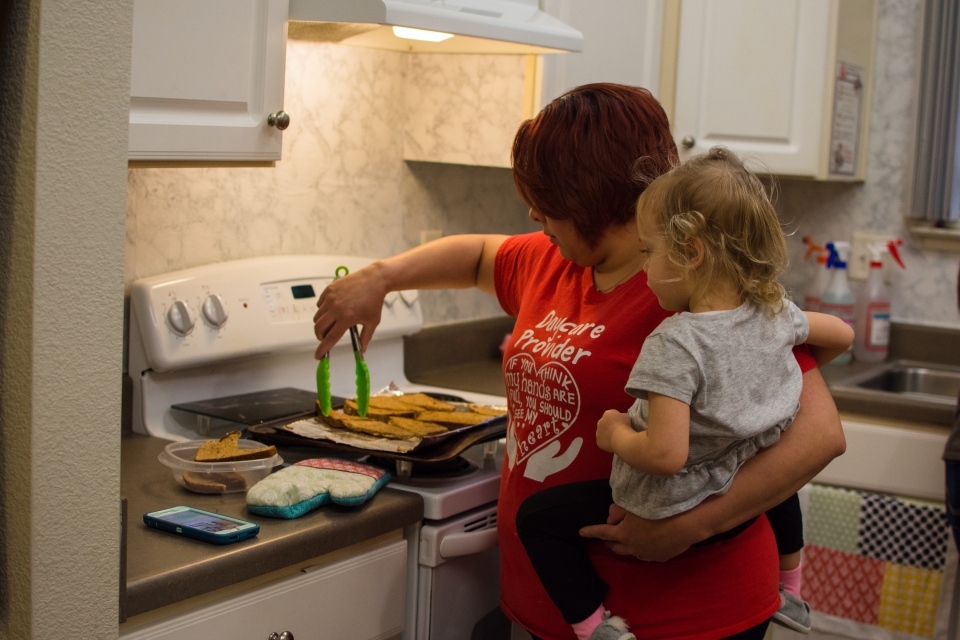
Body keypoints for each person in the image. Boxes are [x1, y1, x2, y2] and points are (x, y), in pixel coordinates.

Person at [312, 83, 846, 640]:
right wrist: (380, 277)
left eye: (548, 200)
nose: (533, 212)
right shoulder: (554, 258)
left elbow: (819, 436)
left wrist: (690, 527)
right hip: (553, 610)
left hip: (683, 618)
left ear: (591, 198)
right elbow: (477, 256)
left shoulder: (695, 287)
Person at [514, 148, 854, 640]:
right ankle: (792, 591)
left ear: (691, 252)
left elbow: (665, 455)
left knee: (536, 520)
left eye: (649, 252)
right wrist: (778, 369)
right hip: (738, 498)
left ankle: (594, 629)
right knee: (764, 448)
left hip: (670, 503)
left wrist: (614, 434)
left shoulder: (676, 343)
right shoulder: (773, 313)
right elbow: (841, 335)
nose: (644, 267)